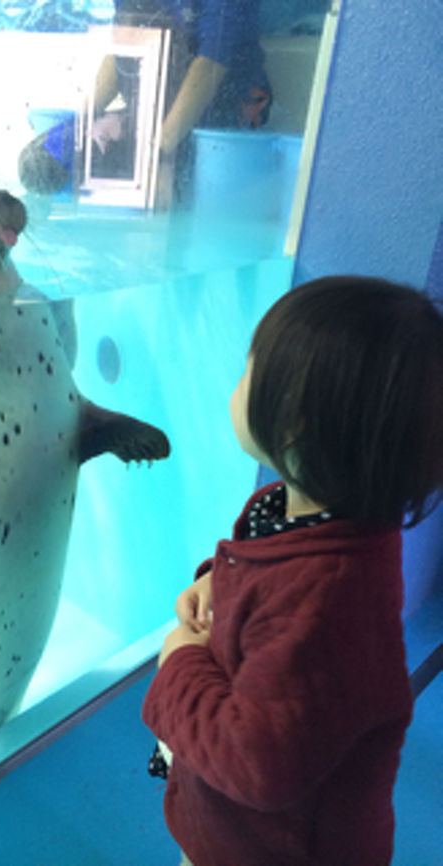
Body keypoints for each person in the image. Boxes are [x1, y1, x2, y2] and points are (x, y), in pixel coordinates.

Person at [142, 276, 443, 866]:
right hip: (230, 830)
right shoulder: (301, 513)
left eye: (247, 369)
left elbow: (256, 764)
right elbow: (268, 576)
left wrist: (179, 659)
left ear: (294, 422)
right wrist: (217, 584)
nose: (236, 384)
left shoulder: (330, 601)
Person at [19, 0, 271, 202]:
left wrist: (157, 153)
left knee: (174, 187)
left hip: (221, 102)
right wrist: (85, 119)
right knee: (41, 165)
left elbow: (212, 63)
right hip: (151, 101)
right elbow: (124, 45)